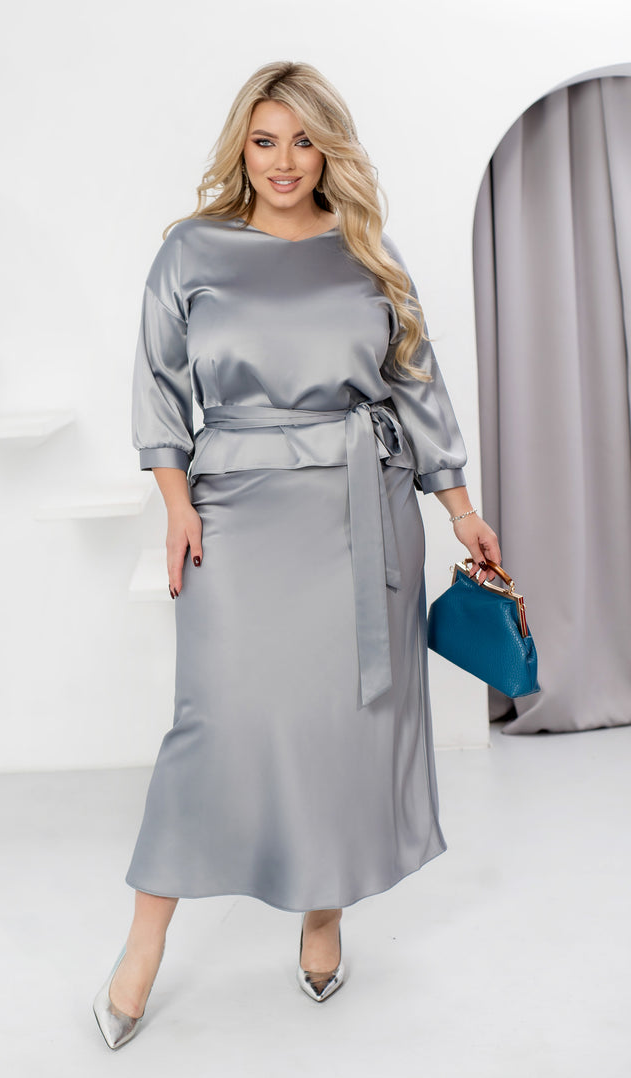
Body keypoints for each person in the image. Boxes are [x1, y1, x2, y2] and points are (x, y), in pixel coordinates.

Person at [93, 59, 501, 1050]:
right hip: (235, 513)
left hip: (362, 515)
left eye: (305, 141)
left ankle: (323, 916)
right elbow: (158, 387)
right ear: (242, 145)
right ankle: (143, 944)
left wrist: (459, 506)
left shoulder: (366, 250)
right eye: (266, 140)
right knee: (212, 723)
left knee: (343, 726)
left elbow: (417, 383)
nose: (284, 161)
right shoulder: (191, 250)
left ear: (329, 150)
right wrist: (176, 504)